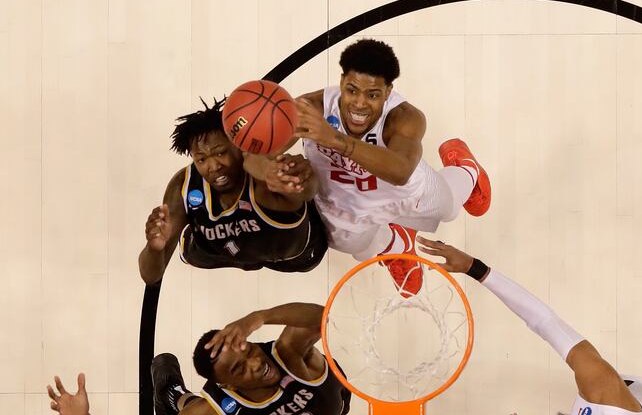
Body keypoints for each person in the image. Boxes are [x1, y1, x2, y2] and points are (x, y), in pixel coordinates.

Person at [416, 236, 642, 415]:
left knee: (639, 385)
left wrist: (477, 268)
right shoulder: (605, 390)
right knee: (637, 388)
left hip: (628, 400)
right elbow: (544, 320)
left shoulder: (602, 387)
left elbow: (543, 321)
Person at [294, 38, 492, 296]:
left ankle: (465, 167)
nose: (359, 104)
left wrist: (334, 139)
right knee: (352, 244)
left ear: (388, 92)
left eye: (373, 95)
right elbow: (262, 150)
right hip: (347, 198)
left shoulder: (406, 117)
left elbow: (400, 173)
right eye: (352, 90)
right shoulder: (311, 108)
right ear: (342, 82)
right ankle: (398, 245)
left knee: (450, 208)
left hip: (403, 190)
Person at [138, 98, 328, 285]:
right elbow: (150, 276)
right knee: (192, 248)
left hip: (290, 255)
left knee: (294, 219)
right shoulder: (184, 184)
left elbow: (307, 191)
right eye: (201, 159)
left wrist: (300, 179)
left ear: (238, 146)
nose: (213, 166)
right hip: (218, 253)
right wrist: (155, 248)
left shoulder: (264, 178)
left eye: (220, 153)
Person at [46, 303, 351, 415]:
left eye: (248, 350)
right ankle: (173, 393)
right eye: (239, 369)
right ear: (225, 384)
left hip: (332, 400)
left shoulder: (289, 354)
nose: (257, 363)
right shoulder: (219, 406)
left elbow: (323, 317)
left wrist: (260, 317)